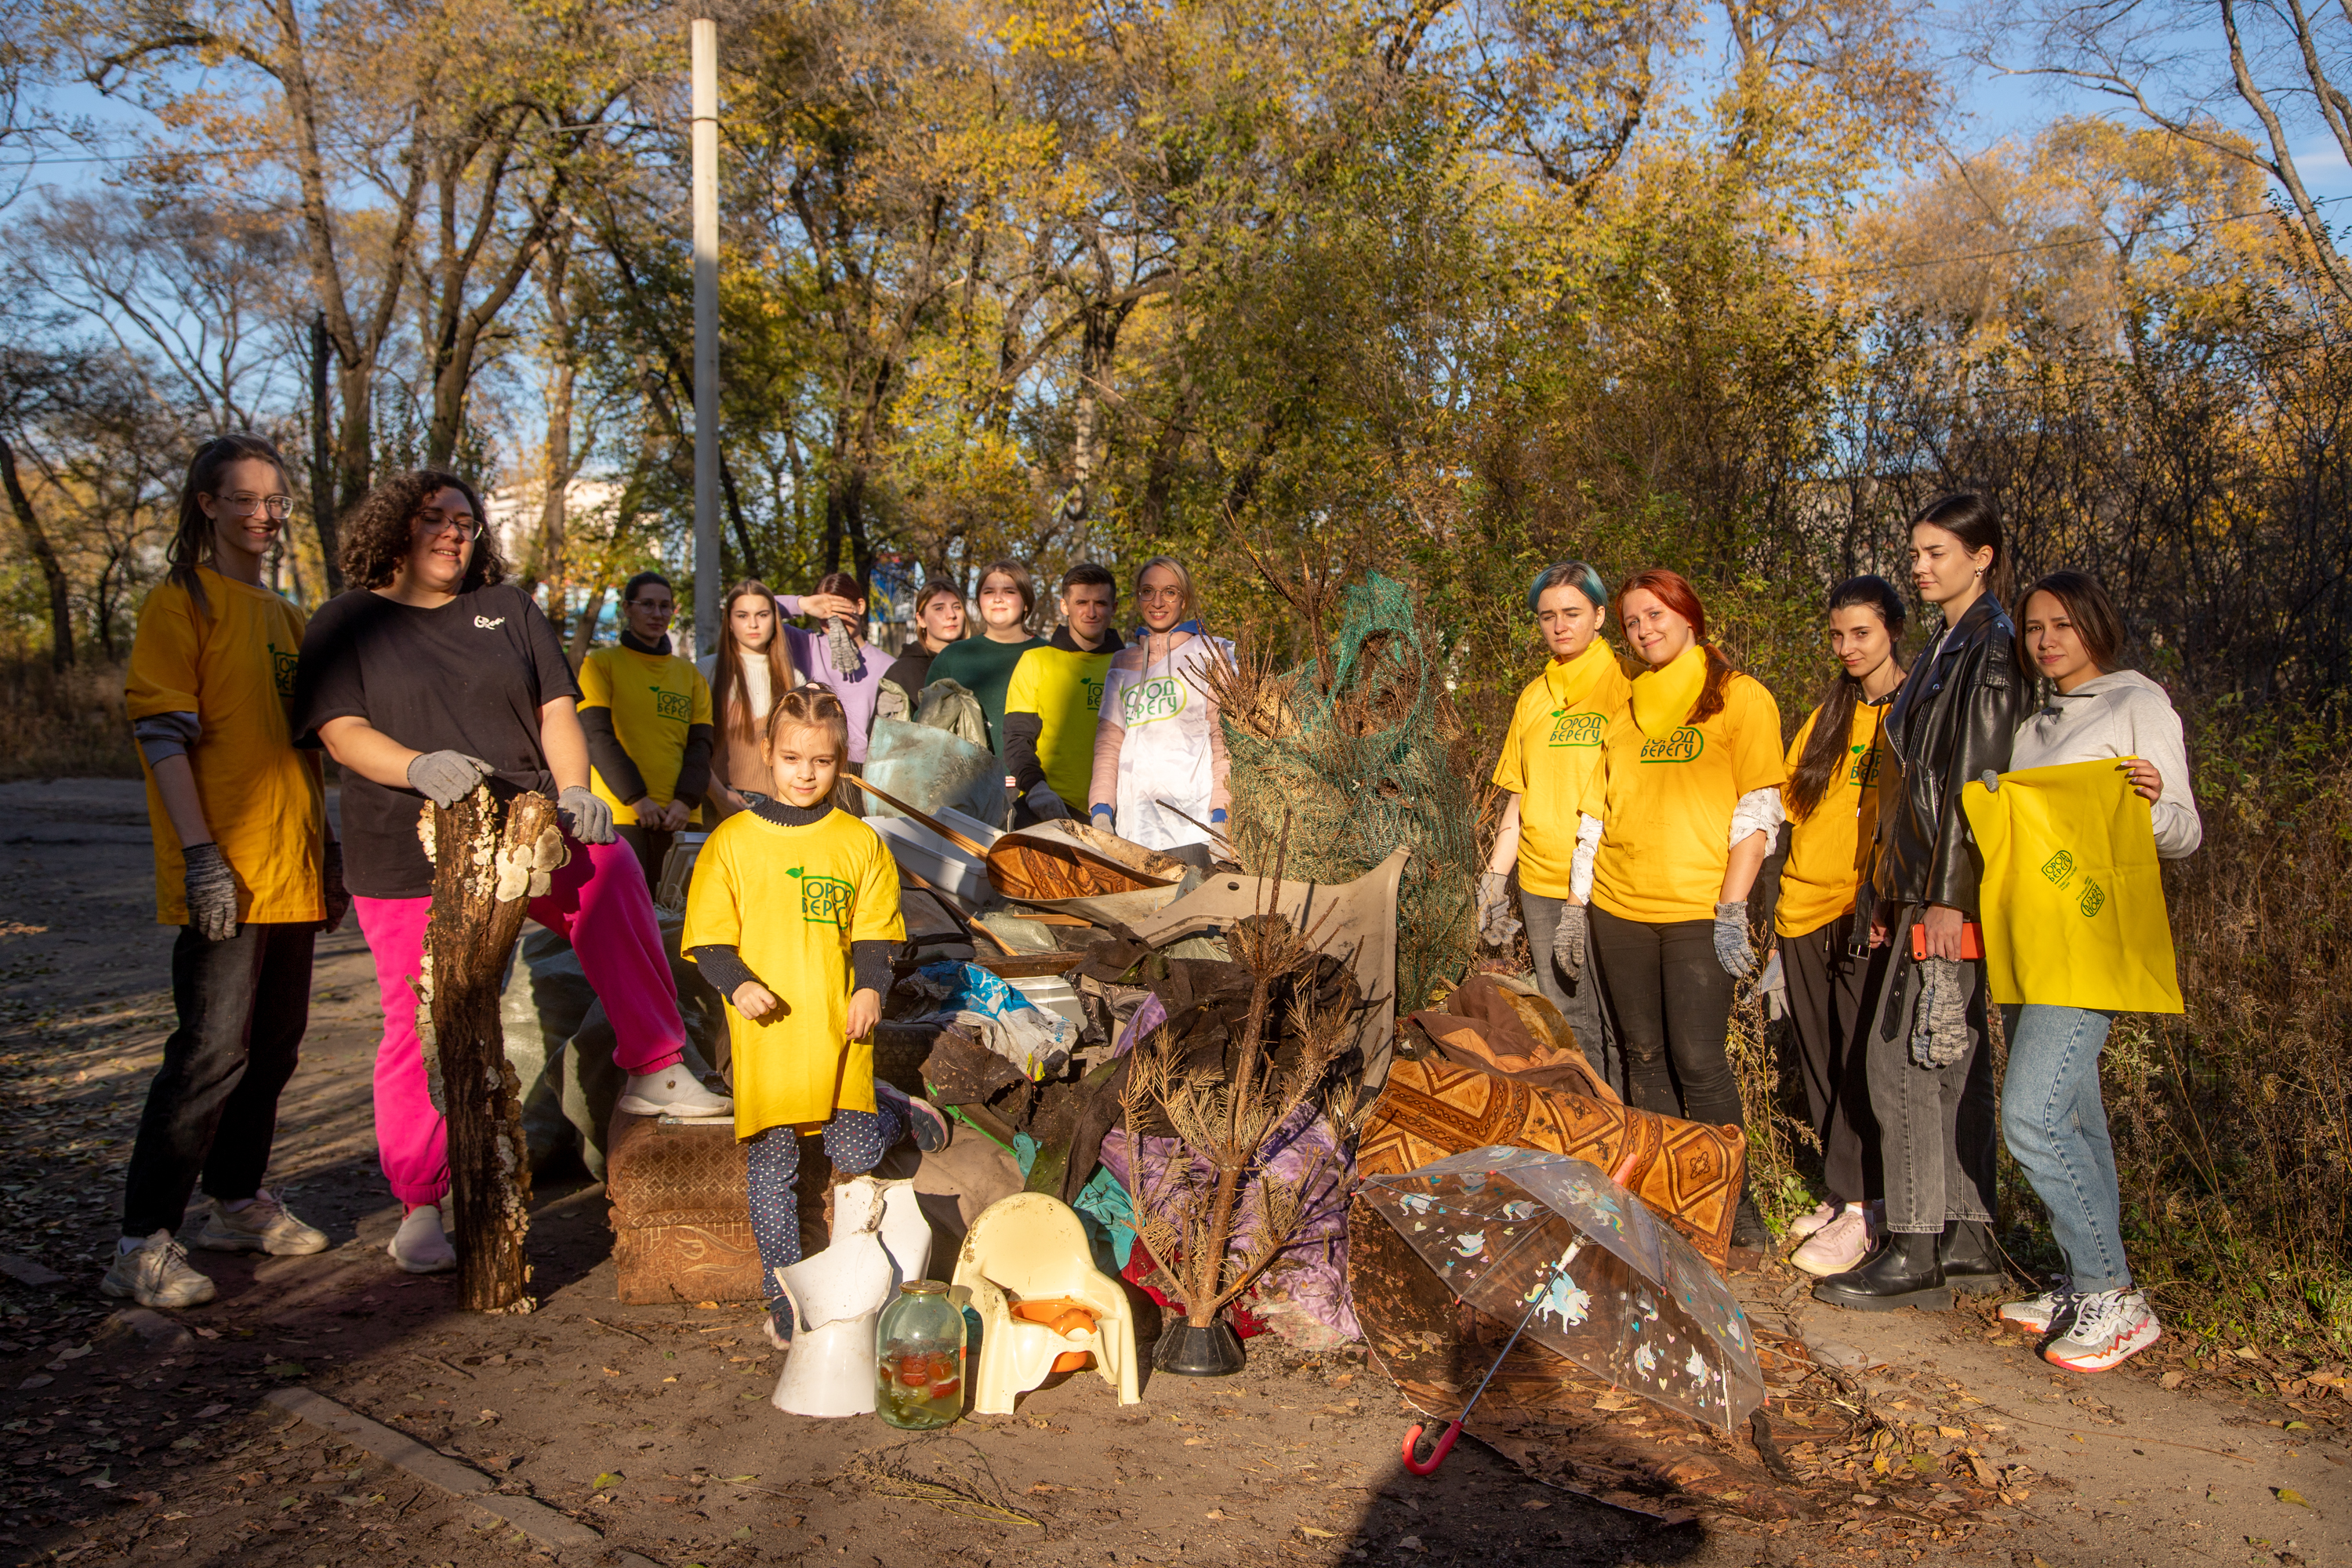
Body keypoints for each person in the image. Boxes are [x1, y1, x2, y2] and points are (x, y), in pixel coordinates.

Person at [295, 468, 731, 1276]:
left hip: (526, 825)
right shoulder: (346, 620)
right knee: (422, 1016)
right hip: (404, 845)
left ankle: (656, 1066)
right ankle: (421, 1202)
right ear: (396, 527)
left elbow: (554, 709)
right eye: (437, 518)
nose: (456, 533)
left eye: (467, 520)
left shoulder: (509, 608)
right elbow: (339, 728)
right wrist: (414, 763)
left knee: (612, 875)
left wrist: (575, 792)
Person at [104, 434, 341, 1308]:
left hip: (291, 867)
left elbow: (305, 750)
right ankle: (142, 1240)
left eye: (275, 499)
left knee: (272, 1050)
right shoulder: (182, 602)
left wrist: (330, 849)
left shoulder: (284, 616)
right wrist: (201, 854)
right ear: (207, 504)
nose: (265, 514)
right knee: (207, 1054)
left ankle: (235, 1200)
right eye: (246, 497)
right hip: (227, 874)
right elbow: (162, 734)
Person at [681, 687, 948, 1348]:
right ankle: (784, 1301)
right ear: (767, 756)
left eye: (822, 761)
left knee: (854, 1149)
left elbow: (877, 935)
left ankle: (894, 1110)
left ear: (842, 764)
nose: (806, 773)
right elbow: (709, 938)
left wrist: (871, 989)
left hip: (838, 1034)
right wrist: (737, 984)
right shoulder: (732, 842)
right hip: (766, 1040)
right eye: (793, 757)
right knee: (774, 1170)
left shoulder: (858, 842)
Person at [1814, 492, 2025, 1312]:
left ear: (1983, 557)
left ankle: (1911, 1245)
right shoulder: (1952, 642)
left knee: (1899, 1060)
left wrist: (1942, 897)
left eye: (1937, 551)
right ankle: (1967, 1240)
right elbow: (1913, 784)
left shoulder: (1992, 648)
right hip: (1915, 883)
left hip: (1945, 891)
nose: (1919, 565)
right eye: (1916, 551)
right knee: (1944, 1061)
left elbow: (1975, 781)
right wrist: (1885, 886)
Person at [1994, 571, 2200, 1371]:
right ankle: (2086, 1279)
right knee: (2075, 1118)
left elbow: (2183, 830)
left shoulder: (2135, 701)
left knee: (2031, 1117)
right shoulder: (2034, 722)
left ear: (2095, 626)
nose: (2046, 640)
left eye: (2062, 625)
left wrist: (2150, 803)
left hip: (2094, 940)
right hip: (2034, 938)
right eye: (2034, 628)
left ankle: (2116, 1294)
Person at [1583, 568, 1783, 1251]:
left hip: (1701, 910)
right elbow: (1597, 815)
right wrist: (1582, 905)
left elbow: (1760, 807)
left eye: (1654, 616)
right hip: (1620, 906)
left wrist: (1734, 905)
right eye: (1632, 622)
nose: (1643, 631)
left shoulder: (1738, 697)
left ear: (1687, 615)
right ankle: (1668, 1204)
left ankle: (1735, 1208)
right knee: (1645, 1056)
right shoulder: (1624, 707)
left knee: (1699, 1059)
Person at [1777, 576, 1907, 1279]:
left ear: (1891, 629)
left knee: (1863, 1062)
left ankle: (1868, 1206)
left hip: (1863, 912)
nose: (1848, 647)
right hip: (1802, 907)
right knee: (1820, 1055)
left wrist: (1883, 901)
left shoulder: (1912, 710)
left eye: (1861, 632)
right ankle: (1842, 1190)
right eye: (1838, 635)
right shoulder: (1828, 716)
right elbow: (1792, 809)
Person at [1479, 560, 1632, 1087]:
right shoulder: (1533, 698)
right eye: (1547, 616)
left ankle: (1630, 1130)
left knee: (1614, 1021)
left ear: (1600, 616)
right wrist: (1496, 877)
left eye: (1572, 612)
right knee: (1566, 1021)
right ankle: (1589, 1130)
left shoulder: (1626, 688)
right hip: (1541, 884)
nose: (1560, 626)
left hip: (1605, 884)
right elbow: (1520, 795)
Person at [1088, 556, 1233, 865]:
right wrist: (1101, 810)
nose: (1157, 601)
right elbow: (1108, 746)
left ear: (1185, 600)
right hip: (1134, 828)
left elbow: (1223, 737)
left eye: (1170, 591)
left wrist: (1223, 812)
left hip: (1196, 828)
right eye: (1147, 591)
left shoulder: (1209, 653)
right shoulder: (1123, 662)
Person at [579, 571, 716, 887]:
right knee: (623, 921)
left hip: (681, 817)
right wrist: (637, 799)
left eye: (665, 606)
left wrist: (685, 801)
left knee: (676, 925)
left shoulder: (690, 675)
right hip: (622, 815)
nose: (657, 614)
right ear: (627, 608)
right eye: (647, 605)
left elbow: (701, 746)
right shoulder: (600, 664)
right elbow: (596, 735)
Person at [1004, 563, 1125, 826]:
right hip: (1046, 810)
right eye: (1081, 602)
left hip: (1120, 814)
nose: (1091, 612)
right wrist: (1036, 789)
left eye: (1101, 603)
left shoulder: (1133, 665)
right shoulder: (1035, 661)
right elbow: (1017, 740)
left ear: (1114, 608)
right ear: (1064, 606)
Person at [698, 579, 798, 816]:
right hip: (715, 804)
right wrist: (718, 795)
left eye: (762, 614)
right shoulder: (707, 670)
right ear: (729, 622)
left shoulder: (794, 678)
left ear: (775, 619)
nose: (753, 624)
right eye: (742, 615)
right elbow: (690, 745)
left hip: (777, 807)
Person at [926, 560, 1047, 755]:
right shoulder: (953, 657)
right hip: (969, 783)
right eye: (989, 592)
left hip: (1039, 783)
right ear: (979, 602)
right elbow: (926, 729)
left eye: (1009, 591)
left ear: (1026, 602)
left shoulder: (1050, 655)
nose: (998, 599)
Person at [777, 572, 887, 771]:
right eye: (823, 611)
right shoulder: (805, 644)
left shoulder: (887, 664)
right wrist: (802, 604)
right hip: (810, 762)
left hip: (861, 769)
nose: (830, 617)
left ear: (859, 606)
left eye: (838, 608)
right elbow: (749, 611)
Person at [877, 581, 967, 724]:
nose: (951, 615)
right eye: (939, 608)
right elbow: (877, 739)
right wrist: (884, 719)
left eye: (957, 607)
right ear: (921, 619)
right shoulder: (902, 672)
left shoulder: (978, 664)